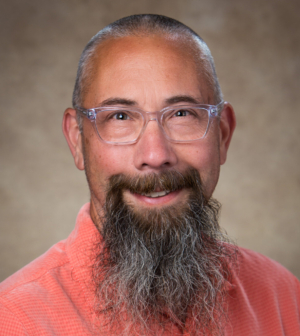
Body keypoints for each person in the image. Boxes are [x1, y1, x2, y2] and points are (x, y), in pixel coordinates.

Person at [0, 14, 299, 336]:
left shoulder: (283, 295)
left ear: (223, 134)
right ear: (76, 140)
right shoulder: (14, 319)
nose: (155, 156)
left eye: (182, 114)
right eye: (120, 116)